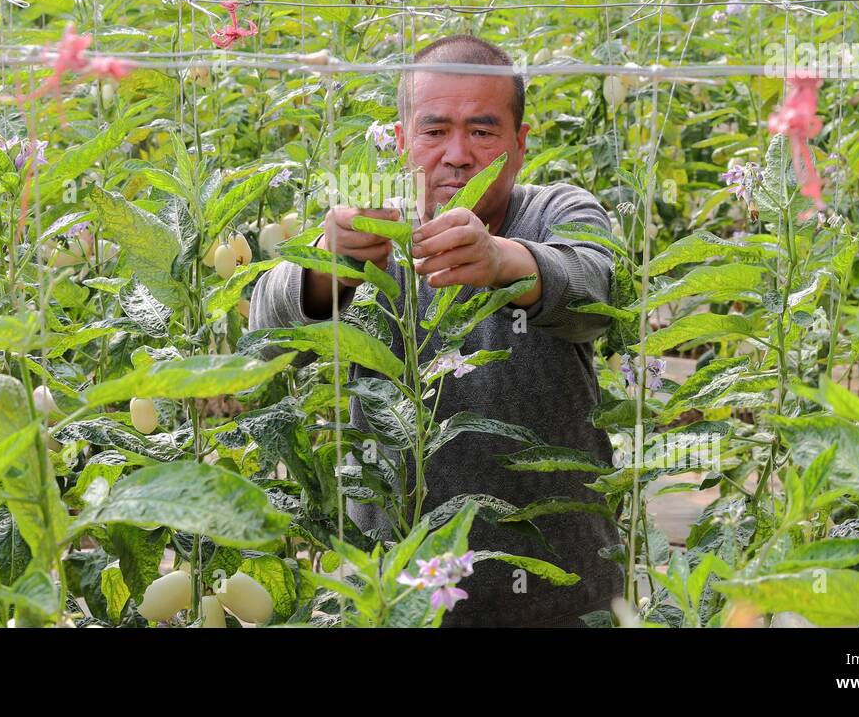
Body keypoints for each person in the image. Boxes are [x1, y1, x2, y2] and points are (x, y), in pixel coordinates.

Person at [248, 34, 624, 627]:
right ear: (401, 141)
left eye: (482, 131)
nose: (457, 154)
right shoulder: (374, 230)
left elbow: (596, 290)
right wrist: (328, 266)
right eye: (433, 130)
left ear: (521, 144)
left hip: (558, 594)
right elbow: (264, 342)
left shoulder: (555, 211)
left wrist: (504, 262)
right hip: (394, 599)